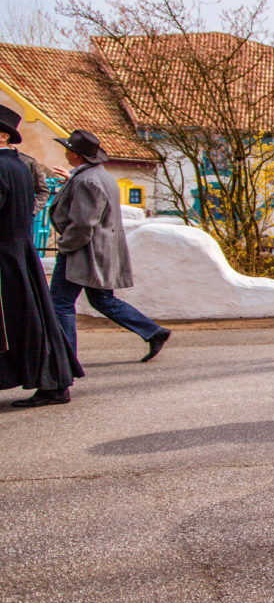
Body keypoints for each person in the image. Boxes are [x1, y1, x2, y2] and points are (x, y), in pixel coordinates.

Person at [48, 130, 171, 363]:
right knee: (102, 300)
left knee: (60, 304)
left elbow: (84, 223)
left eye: (68, 149)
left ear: (76, 155)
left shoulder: (88, 181)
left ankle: (64, 361)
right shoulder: (98, 176)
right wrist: (71, 179)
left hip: (82, 253)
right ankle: (153, 331)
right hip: (98, 251)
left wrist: (65, 245)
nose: (65, 152)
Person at [0, 105, 83, 406]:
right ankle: (53, 383)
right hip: (18, 252)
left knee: (25, 322)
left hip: (6, 256)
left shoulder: (3, 166)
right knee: (34, 320)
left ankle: (53, 383)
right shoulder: (18, 166)